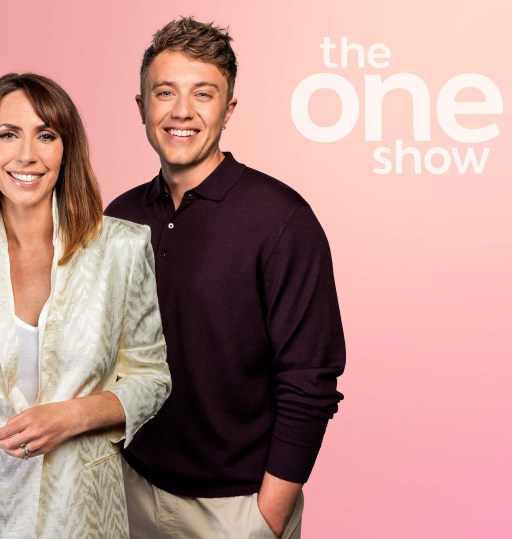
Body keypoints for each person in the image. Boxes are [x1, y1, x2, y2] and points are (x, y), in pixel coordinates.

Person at [0, 73, 171, 538]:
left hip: (84, 516)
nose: (27, 154)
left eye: (46, 135)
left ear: (67, 149)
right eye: (9, 134)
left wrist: (71, 417)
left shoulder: (123, 249)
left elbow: (152, 378)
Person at [106, 18, 346, 539]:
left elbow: (311, 378)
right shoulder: (118, 217)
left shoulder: (282, 220)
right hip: (129, 489)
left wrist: (267, 517)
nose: (182, 111)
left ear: (228, 108)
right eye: (164, 92)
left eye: (204, 93)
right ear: (142, 106)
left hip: (235, 510)